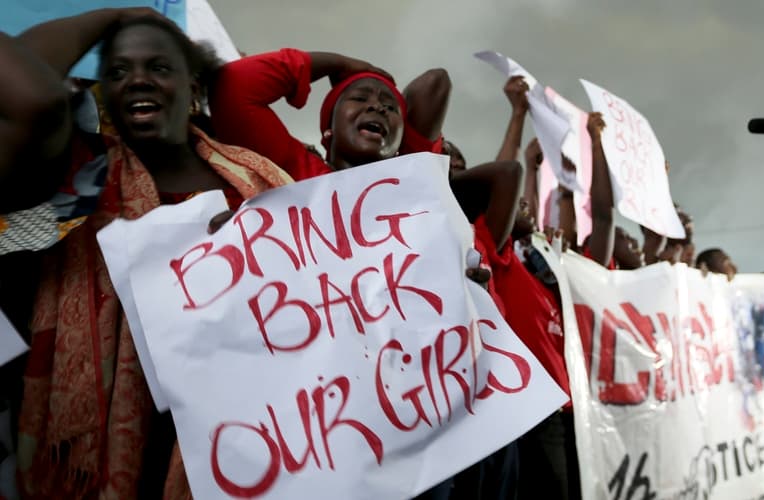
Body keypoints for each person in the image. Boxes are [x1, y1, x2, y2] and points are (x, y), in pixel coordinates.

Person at [4, 10, 296, 499]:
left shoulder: (261, 184)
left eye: (159, 67)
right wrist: (115, 16)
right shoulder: (76, 174)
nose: (138, 79)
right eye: (118, 71)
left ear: (194, 85)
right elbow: (25, 87)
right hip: (109, 451)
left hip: (249, 443)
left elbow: (335, 307)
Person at [209, 48, 450, 181]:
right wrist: (339, 64)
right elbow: (233, 86)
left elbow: (436, 82)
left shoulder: (410, 183)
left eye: (389, 107)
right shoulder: (292, 170)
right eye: (359, 98)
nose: (377, 107)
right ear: (328, 128)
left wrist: (403, 147)